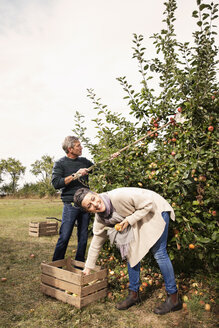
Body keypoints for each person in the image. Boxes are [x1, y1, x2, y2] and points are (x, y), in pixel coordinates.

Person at [73, 187, 182, 315]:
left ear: (96, 194)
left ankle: (173, 298)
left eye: (93, 199)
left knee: (159, 253)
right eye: (89, 206)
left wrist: (129, 220)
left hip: (155, 208)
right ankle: (133, 294)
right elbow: (97, 241)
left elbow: (148, 204)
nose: (95, 204)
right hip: (140, 214)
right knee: (131, 253)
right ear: (87, 210)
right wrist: (88, 268)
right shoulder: (100, 218)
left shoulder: (118, 197)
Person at [51, 136, 93, 263]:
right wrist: (75, 175)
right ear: (70, 149)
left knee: (83, 237)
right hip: (71, 205)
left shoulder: (84, 161)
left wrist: (111, 158)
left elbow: (98, 169)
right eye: (78, 146)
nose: (81, 148)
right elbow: (56, 183)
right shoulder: (60, 163)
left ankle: (79, 264)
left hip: (85, 204)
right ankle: (56, 265)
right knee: (64, 236)